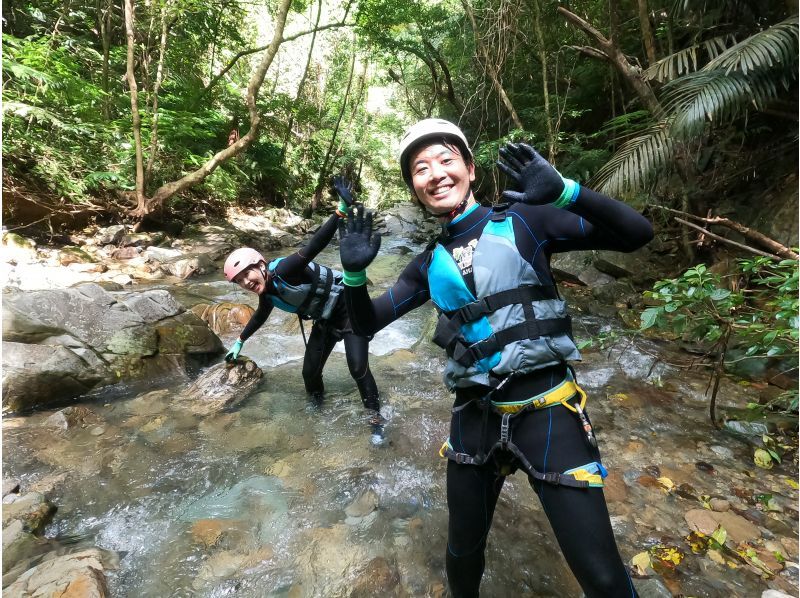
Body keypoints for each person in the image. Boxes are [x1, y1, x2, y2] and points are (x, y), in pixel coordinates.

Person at [337, 119, 653, 597]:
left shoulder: (527, 220)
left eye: (446, 160)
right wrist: (354, 275)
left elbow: (636, 233)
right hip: (475, 415)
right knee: (462, 554)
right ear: (415, 189)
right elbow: (365, 323)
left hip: (549, 409)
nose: (435, 174)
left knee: (602, 576)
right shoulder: (426, 263)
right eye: (421, 169)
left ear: (469, 168)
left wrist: (566, 190)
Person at [223, 177, 383, 428]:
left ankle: (376, 421)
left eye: (248, 274)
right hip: (326, 319)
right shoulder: (266, 294)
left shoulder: (285, 270)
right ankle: (317, 413)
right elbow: (259, 317)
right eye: (240, 281)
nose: (246, 282)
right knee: (309, 372)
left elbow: (314, 245)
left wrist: (340, 212)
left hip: (347, 308)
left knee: (357, 367)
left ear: (261, 266)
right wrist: (239, 341)